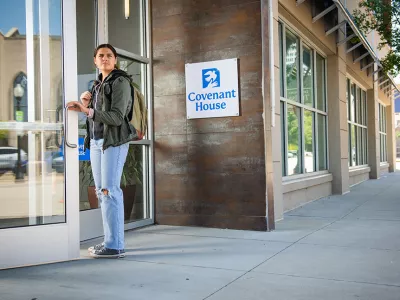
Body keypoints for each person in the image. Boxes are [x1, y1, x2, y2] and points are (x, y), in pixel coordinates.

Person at [68, 44, 136, 258]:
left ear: (115, 59)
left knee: (109, 191)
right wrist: (88, 104)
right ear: (95, 61)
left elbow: (116, 117)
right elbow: (96, 116)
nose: (105, 58)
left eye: (109, 55)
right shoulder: (98, 84)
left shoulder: (121, 81)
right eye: (100, 56)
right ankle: (110, 241)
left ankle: (115, 246)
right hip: (97, 142)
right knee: (102, 192)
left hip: (113, 142)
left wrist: (87, 110)